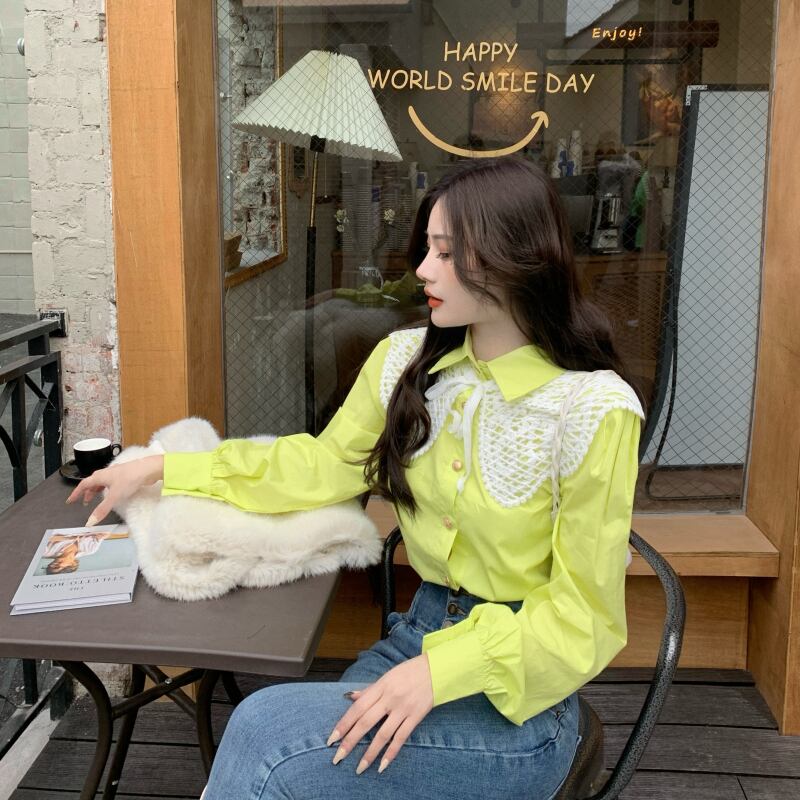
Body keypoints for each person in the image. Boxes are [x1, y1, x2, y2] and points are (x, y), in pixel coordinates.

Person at [68, 157, 645, 800]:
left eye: (447, 253)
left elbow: (585, 617)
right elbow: (321, 466)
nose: (423, 269)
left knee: (265, 738)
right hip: (412, 640)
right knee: (287, 758)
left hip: (523, 700)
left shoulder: (591, 410)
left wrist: (443, 670)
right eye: (427, 248)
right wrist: (167, 468)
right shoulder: (405, 363)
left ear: (516, 259)